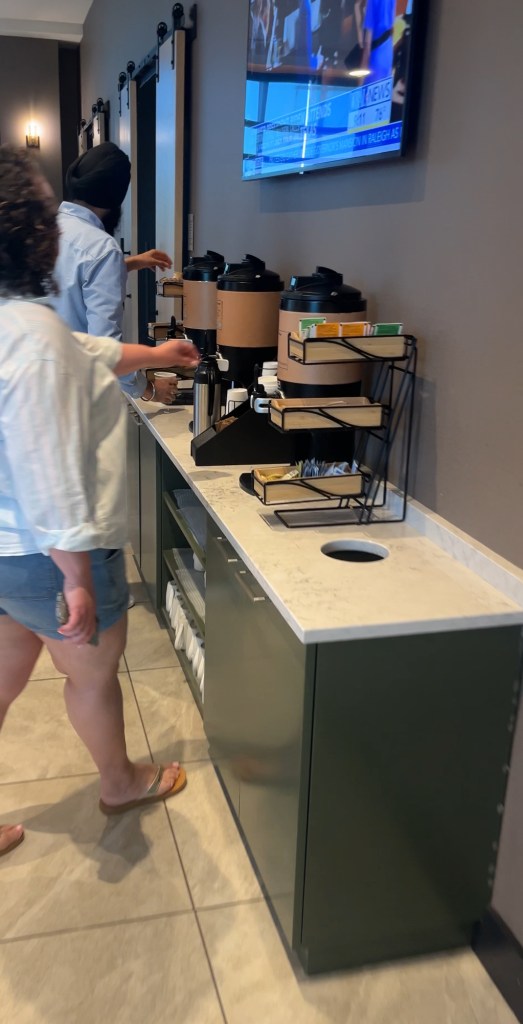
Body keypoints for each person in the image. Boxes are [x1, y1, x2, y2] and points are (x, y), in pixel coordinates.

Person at [0, 145, 199, 859]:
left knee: (4, 671)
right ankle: (119, 782)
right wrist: (78, 576)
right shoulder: (30, 334)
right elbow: (45, 464)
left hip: (4, 553)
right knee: (89, 672)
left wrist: (156, 355)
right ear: (33, 232)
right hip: (41, 554)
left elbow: (82, 346)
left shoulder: (17, 323)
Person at [50, 141, 177, 407]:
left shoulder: (45, 230)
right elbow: (105, 348)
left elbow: (69, 276)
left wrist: (126, 263)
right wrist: (148, 389)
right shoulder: (101, 248)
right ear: (116, 199)